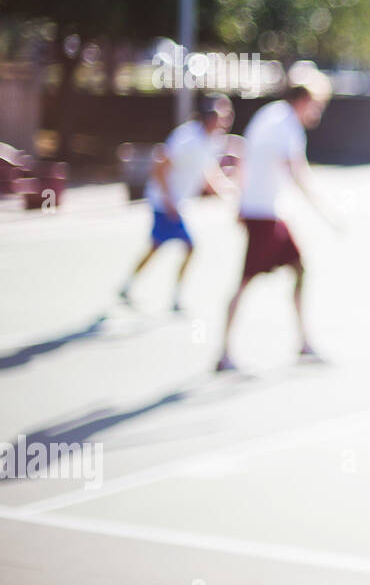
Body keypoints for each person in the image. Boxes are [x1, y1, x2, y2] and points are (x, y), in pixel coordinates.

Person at [216, 80, 333, 373]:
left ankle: (303, 342)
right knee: (244, 283)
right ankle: (224, 353)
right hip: (262, 214)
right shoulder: (286, 124)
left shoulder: (271, 116)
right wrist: (326, 212)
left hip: (266, 212)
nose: (317, 111)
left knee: (299, 266)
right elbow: (296, 172)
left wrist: (239, 201)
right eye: (316, 104)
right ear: (304, 101)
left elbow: (246, 159)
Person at [120, 93, 234, 311]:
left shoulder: (214, 141)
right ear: (209, 116)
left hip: (178, 203)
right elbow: (160, 167)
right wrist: (168, 200)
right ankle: (175, 297)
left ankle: (129, 285)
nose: (226, 120)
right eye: (222, 115)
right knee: (190, 246)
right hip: (164, 202)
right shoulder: (186, 137)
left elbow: (207, 170)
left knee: (156, 246)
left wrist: (224, 189)